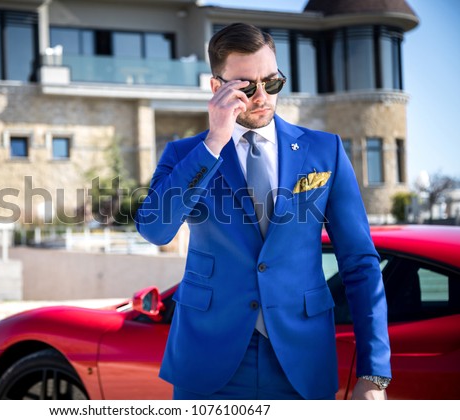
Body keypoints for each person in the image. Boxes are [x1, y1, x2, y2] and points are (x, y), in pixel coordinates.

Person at [135, 23, 391, 400]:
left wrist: (375, 373)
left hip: (301, 360)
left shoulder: (326, 152)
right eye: (245, 87)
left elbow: (360, 263)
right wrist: (214, 141)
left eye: (271, 83)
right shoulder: (184, 155)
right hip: (207, 361)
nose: (261, 97)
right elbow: (155, 229)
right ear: (216, 87)